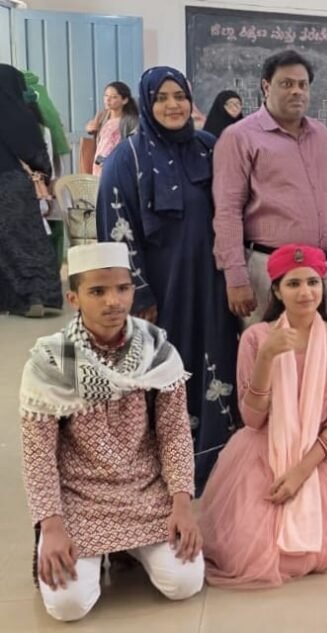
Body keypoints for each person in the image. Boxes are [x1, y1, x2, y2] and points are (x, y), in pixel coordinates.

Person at [20, 242, 204, 621]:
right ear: (74, 298)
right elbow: (38, 454)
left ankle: (126, 549)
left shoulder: (156, 349)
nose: (113, 301)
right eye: (97, 291)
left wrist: (183, 505)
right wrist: (51, 525)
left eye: (122, 288)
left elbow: (174, 434)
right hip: (79, 498)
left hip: (145, 490)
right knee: (68, 606)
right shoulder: (52, 360)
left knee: (185, 582)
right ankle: (106, 550)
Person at [96, 66, 240, 490]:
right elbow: (116, 229)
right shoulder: (127, 158)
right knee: (164, 367)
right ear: (146, 103)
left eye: (180, 96)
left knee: (216, 359)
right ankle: (164, 468)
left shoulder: (209, 148)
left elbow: (233, 208)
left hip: (212, 283)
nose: (173, 105)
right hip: (161, 287)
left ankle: (213, 462)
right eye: (161, 98)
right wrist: (137, 294)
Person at [199, 244, 327, 587]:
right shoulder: (256, 337)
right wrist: (266, 357)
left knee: (318, 550)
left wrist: (300, 472)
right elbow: (252, 420)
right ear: (276, 290)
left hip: (318, 454)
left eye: (313, 282)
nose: (305, 292)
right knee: (244, 549)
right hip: (262, 447)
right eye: (293, 284)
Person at [213, 49, 327, 327]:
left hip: (325, 271)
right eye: (286, 84)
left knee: (324, 349)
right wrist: (236, 277)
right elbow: (227, 211)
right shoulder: (240, 137)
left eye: (302, 84)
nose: (297, 91)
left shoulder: (322, 135)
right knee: (269, 348)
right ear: (266, 86)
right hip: (268, 271)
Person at [0, 64, 62, 318]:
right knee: (27, 242)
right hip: (11, 185)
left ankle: (7, 300)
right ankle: (38, 297)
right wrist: (43, 172)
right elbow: (33, 151)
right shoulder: (16, 113)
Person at [85, 81, 139, 177]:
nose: (108, 100)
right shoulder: (103, 117)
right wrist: (90, 128)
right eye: (106, 96)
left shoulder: (131, 120)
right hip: (99, 163)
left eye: (114, 97)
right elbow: (93, 130)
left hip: (118, 166)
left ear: (124, 100)